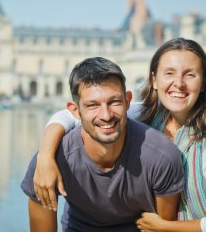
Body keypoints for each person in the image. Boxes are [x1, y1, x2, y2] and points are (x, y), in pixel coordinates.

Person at [33, 38, 206, 232]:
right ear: (154, 80)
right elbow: (71, 116)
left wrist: (164, 227)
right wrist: (44, 157)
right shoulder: (142, 112)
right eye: (169, 73)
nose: (178, 83)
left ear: (204, 82)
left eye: (190, 74)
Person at [21, 57, 185, 231]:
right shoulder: (51, 162)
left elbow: (164, 228)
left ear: (128, 101)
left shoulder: (161, 156)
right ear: (75, 110)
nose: (106, 115)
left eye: (114, 102)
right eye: (92, 105)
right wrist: (45, 156)